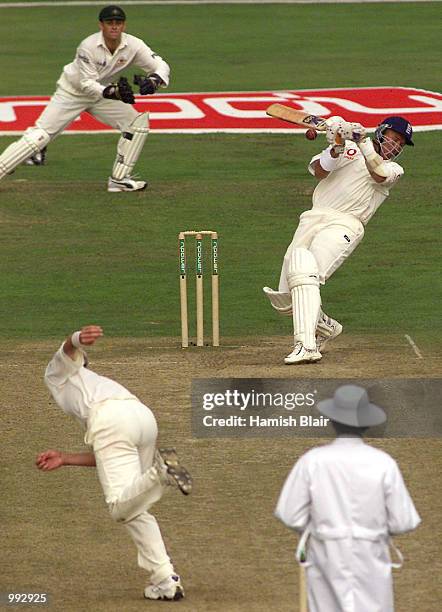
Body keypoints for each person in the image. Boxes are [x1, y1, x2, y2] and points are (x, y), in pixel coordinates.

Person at [36, 325, 192, 601]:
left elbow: (67, 349)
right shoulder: (97, 384)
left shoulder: (57, 374)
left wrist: (75, 339)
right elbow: (109, 454)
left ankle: (161, 472)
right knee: (135, 504)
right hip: (142, 418)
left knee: (119, 508)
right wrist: (66, 458)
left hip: (112, 421)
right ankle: (165, 579)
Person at [263, 115, 414, 364]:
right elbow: (320, 172)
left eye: (401, 143)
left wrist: (361, 141)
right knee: (285, 299)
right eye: (394, 138)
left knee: (304, 269)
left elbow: (378, 174)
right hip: (313, 217)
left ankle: (306, 345)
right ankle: (326, 327)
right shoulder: (350, 148)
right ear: (382, 131)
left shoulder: (394, 169)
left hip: (347, 223)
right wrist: (337, 145)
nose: (396, 146)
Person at [275, 384, 421, 612]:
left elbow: (289, 514)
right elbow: (403, 521)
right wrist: (372, 531)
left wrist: (320, 530)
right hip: (371, 555)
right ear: (367, 425)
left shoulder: (313, 461)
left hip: (325, 556)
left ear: (332, 421)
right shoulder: (384, 463)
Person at [0, 5, 170, 192]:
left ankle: (119, 180)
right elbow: (87, 83)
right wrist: (112, 92)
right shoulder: (88, 46)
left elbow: (160, 65)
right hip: (72, 93)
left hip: (103, 94)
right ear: (101, 25)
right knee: (39, 137)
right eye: (109, 23)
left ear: (124, 25)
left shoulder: (134, 45)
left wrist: (155, 80)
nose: (114, 26)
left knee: (137, 125)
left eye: (118, 23)